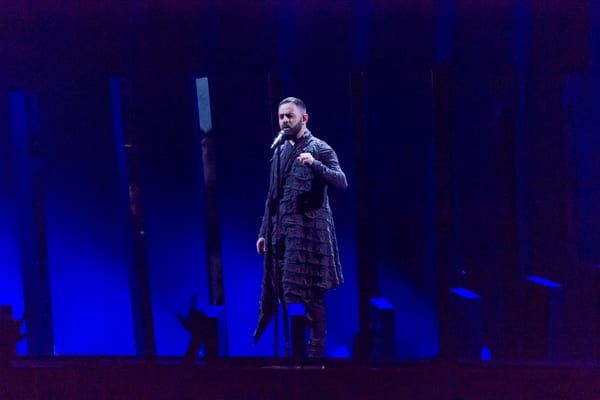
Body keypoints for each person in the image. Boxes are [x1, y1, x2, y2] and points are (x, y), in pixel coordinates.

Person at [253, 97, 347, 358]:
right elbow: (272, 197)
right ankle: (295, 351)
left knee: (313, 292)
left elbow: (341, 181)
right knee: (287, 290)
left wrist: (314, 164)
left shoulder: (319, 148)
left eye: (289, 116)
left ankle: (316, 353)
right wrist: (263, 232)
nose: (284, 121)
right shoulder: (279, 151)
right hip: (283, 234)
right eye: (281, 116)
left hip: (310, 235)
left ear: (304, 118)